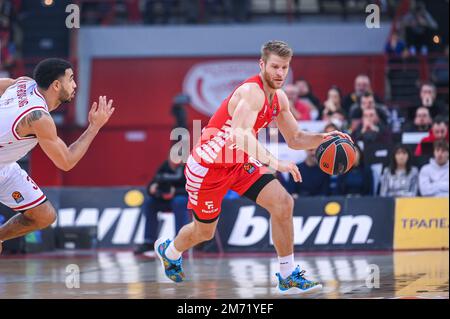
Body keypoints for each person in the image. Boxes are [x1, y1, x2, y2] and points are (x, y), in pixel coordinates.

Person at [154, 40, 350, 294]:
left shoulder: (278, 98)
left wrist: (325, 137)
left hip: (239, 162)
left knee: (283, 202)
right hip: (208, 168)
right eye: (275, 67)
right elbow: (240, 136)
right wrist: (276, 162)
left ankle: (288, 274)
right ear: (262, 64)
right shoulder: (251, 92)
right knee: (204, 233)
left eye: (285, 68)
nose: (280, 73)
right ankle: (170, 250)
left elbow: (295, 138)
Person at [0, 58, 114, 254]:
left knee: (44, 216)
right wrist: (94, 127)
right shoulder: (38, 117)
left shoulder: (23, 84)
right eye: (71, 79)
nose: (75, 84)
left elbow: (7, 84)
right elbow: (66, 161)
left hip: (4, 165)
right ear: (56, 85)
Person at [134, 155, 190, 255]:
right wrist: (152, 188)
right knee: (150, 203)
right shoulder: (164, 167)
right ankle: (149, 241)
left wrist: (175, 191)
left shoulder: (187, 168)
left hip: (180, 197)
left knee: (179, 202)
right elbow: (152, 183)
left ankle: (180, 242)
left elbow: (191, 189)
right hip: (164, 199)